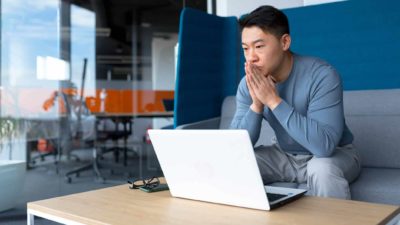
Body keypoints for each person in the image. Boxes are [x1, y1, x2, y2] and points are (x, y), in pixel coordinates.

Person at [230, 5, 361, 199]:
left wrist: (273, 100)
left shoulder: (322, 75)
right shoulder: (248, 84)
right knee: (235, 163)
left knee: (322, 170)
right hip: (284, 155)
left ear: (284, 42)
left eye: (259, 47)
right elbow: (235, 146)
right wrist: (257, 105)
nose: (251, 58)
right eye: (245, 49)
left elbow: (324, 147)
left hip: (333, 155)